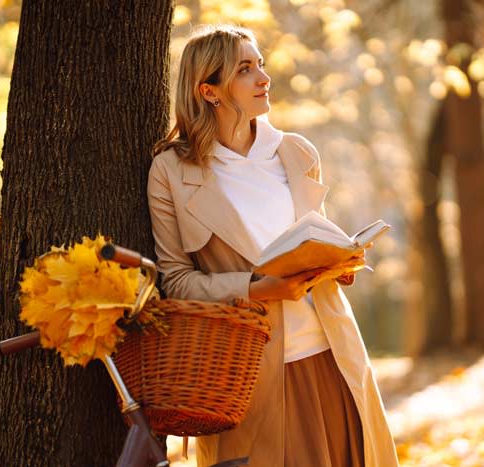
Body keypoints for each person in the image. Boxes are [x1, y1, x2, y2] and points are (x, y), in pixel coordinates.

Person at [148, 24, 399, 467]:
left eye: (260, 64)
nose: (264, 78)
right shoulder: (171, 171)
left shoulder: (297, 152)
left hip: (332, 356)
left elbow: (312, 237)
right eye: (246, 69)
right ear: (209, 91)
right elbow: (176, 282)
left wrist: (337, 261)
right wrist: (257, 288)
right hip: (246, 373)